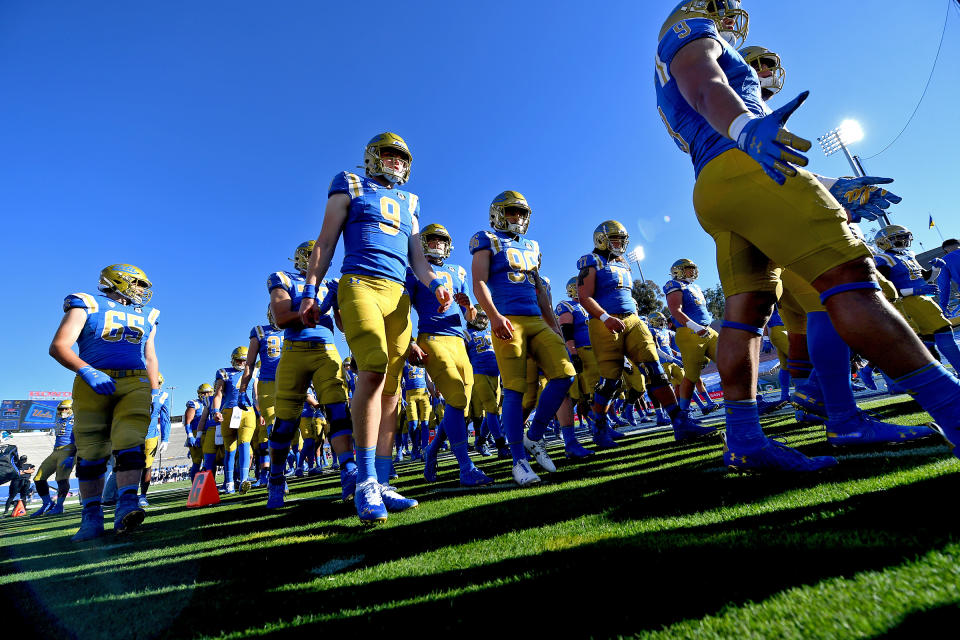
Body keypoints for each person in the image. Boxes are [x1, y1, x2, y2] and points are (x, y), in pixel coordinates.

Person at [654, 2, 960, 471]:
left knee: (745, 315)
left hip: (715, 182)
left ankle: (746, 439)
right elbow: (703, 81)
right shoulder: (689, 30)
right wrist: (744, 126)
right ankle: (949, 411)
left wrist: (833, 187)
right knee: (852, 281)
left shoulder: (677, 59)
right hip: (743, 164)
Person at [299, 132, 452, 524]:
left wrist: (434, 283)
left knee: (393, 391)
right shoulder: (349, 182)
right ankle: (364, 479)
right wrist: (311, 290)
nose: (397, 162)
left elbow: (418, 259)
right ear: (372, 156)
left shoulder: (411, 201)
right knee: (372, 367)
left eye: (403, 157)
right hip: (360, 283)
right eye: (389, 154)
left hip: (398, 295)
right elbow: (327, 240)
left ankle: (382, 480)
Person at [470, 190, 577, 486]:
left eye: (521, 213)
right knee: (515, 389)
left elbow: (541, 290)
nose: (517, 218)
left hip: (535, 318)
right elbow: (478, 281)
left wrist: (554, 326)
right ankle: (518, 460)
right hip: (507, 319)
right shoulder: (486, 239)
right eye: (511, 212)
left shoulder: (533, 246)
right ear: (497, 214)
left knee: (565, 374)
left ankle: (534, 436)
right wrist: (493, 317)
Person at [49, 264, 160, 540]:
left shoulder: (147, 315)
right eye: (138, 283)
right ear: (118, 281)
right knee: (91, 451)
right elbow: (59, 346)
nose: (143, 290)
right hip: (92, 381)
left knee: (130, 439)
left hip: (135, 381)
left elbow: (150, 356)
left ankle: (127, 505)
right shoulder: (87, 304)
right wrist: (86, 370)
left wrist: (154, 387)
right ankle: (91, 517)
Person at [578, 221, 713, 444]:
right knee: (611, 380)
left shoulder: (622, 262)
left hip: (632, 320)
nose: (619, 244)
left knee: (655, 368)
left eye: (621, 240)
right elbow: (585, 296)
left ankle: (679, 421)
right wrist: (604, 317)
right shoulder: (592, 261)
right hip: (604, 322)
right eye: (614, 239)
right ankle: (599, 425)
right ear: (601, 240)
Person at [264, 241, 355, 510]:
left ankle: (348, 469)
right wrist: (319, 307)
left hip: (327, 349)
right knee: (285, 424)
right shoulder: (283, 278)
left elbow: (342, 325)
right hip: (295, 351)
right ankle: (277, 477)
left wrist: (339, 303)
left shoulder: (332, 282)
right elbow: (281, 318)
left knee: (338, 409)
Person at [408, 223, 494, 486]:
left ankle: (432, 450)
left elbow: (471, 317)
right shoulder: (414, 272)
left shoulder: (457, 271)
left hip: (458, 340)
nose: (436, 245)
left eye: (440, 241)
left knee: (461, 406)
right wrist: (410, 342)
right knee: (456, 398)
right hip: (432, 338)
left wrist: (469, 308)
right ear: (423, 244)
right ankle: (466, 467)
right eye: (431, 241)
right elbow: (403, 311)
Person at [239, 318, 284, 488]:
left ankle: (276, 473)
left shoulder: (295, 326)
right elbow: (249, 364)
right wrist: (243, 390)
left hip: (290, 382)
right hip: (268, 384)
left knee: (288, 429)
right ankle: (276, 477)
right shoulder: (259, 331)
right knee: (274, 430)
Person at [465, 311, 509, 458]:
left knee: (493, 411)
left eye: (485, 316)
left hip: (495, 374)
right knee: (491, 410)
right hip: (479, 373)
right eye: (481, 316)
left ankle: (481, 441)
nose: (483, 319)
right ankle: (501, 445)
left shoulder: (491, 332)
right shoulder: (465, 334)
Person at [30, 399, 76, 516]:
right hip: (55, 451)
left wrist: (74, 453)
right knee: (38, 478)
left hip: (68, 450)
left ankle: (59, 506)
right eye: (61, 409)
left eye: (66, 408)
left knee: (62, 479)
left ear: (71, 409)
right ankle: (48, 503)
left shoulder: (77, 419)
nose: (63, 411)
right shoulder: (59, 419)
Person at [139, 374, 170, 506]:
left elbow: (165, 418)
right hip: (135, 433)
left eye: (157, 382)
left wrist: (165, 439)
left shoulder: (163, 395)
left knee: (147, 466)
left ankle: (142, 496)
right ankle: (127, 495)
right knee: (131, 465)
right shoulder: (137, 392)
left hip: (151, 435)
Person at [184, 384, 213, 481]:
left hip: (209, 434)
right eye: (203, 393)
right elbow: (187, 422)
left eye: (208, 392)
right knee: (197, 462)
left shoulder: (212, 402)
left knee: (210, 461)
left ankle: (210, 483)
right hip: (196, 434)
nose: (206, 395)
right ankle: (195, 488)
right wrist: (190, 436)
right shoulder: (194, 404)